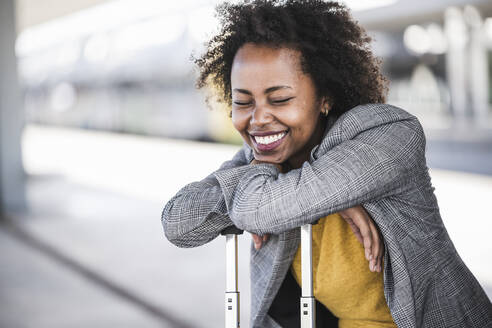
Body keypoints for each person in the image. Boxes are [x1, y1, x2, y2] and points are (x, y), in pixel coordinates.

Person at [161, 1, 492, 327]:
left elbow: (259, 209)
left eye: (280, 99)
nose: (258, 119)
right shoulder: (261, 163)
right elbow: (178, 224)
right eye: (243, 102)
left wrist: (317, 192)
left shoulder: (388, 134)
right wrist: (296, 184)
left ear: (325, 97)